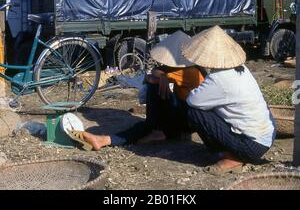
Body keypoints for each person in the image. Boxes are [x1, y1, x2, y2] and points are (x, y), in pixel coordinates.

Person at [69, 31, 205, 151]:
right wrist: (161, 76)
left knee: (151, 97)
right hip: (185, 115)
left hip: (188, 118)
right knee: (146, 114)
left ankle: (106, 140)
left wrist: (159, 78)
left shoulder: (188, 71)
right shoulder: (185, 68)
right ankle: (111, 139)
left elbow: (149, 78)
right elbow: (154, 74)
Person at [181, 26, 276, 175]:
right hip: (265, 137)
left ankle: (232, 158)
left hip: (251, 145)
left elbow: (192, 101)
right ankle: (234, 153)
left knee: (195, 113)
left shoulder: (219, 78)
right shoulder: (241, 68)